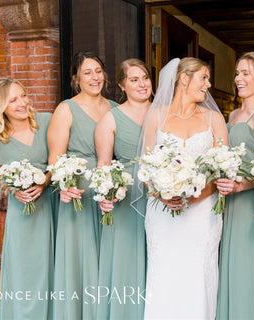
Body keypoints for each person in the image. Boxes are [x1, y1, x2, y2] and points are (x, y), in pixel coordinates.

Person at [139, 57, 228, 319]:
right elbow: (146, 169)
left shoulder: (214, 119)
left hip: (203, 215)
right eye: (204, 78)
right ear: (184, 79)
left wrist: (198, 194)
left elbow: (222, 170)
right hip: (163, 214)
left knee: (199, 275)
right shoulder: (155, 116)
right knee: (164, 273)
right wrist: (162, 194)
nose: (208, 84)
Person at [47, 51, 118, 319]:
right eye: (87, 72)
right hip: (77, 192)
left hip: (110, 192)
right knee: (79, 259)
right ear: (76, 78)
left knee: (106, 255)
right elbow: (55, 158)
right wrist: (64, 185)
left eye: (98, 71)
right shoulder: (66, 109)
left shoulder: (114, 107)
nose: (94, 77)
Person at [0, 78, 54, 319]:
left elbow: (59, 160)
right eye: (13, 100)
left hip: (51, 206)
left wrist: (45, 181)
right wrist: (15, 189)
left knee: (52, 266)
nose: (23, 102)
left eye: (23, 95)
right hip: (21, 214)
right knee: (25, 269)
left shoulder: (47, 121)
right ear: (1, 107)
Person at [215, 51, 254, 320]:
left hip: (248, 203)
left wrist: (240, 186)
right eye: (237, 73)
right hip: (228, 201)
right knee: (228, 263)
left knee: (244, 265)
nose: (238, 78)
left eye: (246, 73)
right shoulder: (234, 114)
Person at [95, 58, 152, 319]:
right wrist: (105, 196)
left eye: (145, 78)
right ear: (121, 85)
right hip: (126, 195)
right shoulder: (111, 118)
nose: (142, 84)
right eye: (134, 79)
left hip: (163, 194)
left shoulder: (165, 112)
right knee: (127, 260)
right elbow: (104, 165)